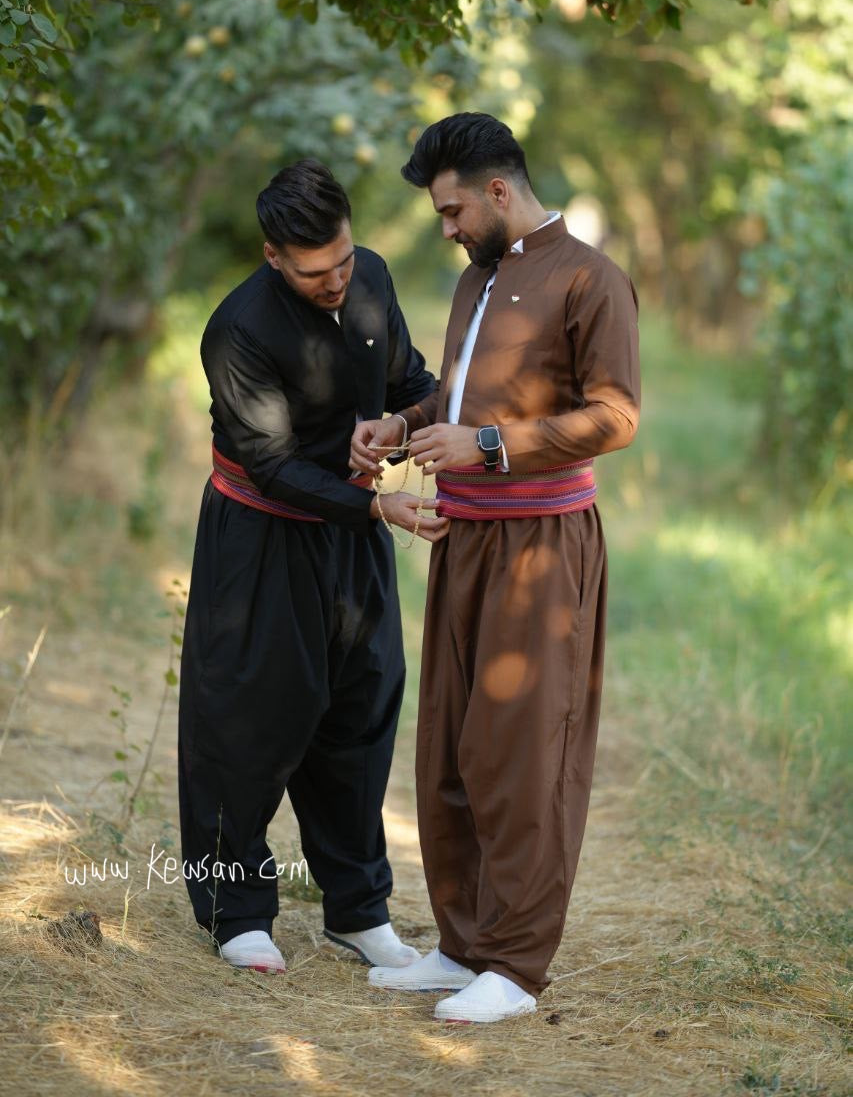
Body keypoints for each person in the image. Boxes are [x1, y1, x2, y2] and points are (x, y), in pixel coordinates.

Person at [351, 113, 640, 1023]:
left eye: (451, 211)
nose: (446, 229)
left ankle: (514, 968)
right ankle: (463, 945)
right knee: (452, 747)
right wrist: (401, 425)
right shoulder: (478, 279)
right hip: (464, 539)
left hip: (542, 550)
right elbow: (464, 390)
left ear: (499, 192)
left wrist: (484, 443)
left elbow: (615, 417)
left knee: (522, 755)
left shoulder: (592, 279)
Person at [178, 158, 448, 975]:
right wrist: (376, 504)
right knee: (249, 720)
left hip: (354, 535)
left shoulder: (369, 278)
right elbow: (270, 462)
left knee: (362, 710)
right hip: (260, 538)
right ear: (271, 258)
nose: (335, 281)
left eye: (340, 260)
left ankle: (358, 910)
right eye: (312, 272)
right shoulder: (236, 331)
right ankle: (236, 912)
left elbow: (413, 383)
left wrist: (398, 428)